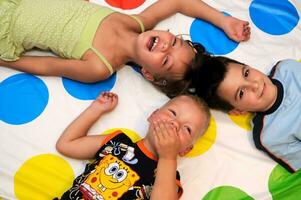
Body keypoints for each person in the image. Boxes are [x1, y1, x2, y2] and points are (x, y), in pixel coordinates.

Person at [0, 0, 250, 86]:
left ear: (149, 74)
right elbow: (178, 2)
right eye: (173, 42)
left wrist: (7, 60)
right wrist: (223, 21)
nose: (164, 46)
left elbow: (47, 67)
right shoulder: (138, 23)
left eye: (165, 59)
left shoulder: (100, 66)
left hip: (7, 23)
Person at [55, 91, 210, 199]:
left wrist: (168, 157)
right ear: (153, 115)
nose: (175, 124)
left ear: (186, 150)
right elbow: (66, 144)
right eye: (173, 113)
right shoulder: (117, 144)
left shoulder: (168, 176)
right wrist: (95, 109)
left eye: (187, 129)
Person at [193, 55, 301, 173]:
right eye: (241, 93)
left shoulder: (286, 67)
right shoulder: (268, 136)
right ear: (237, 110)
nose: (255, 85)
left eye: (246, 73)